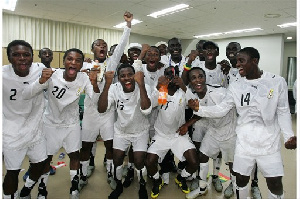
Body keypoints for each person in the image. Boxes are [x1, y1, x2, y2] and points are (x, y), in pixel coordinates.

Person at [188, 47, 297, 199]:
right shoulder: (236, 86)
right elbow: (221, 109)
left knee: (275, 182)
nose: (237, 64)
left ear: (254, 61)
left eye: (241, 61)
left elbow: (283, 111)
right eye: (237, 61)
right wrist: (200, 109)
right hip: (244, 143)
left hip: (269, 143)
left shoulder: (277, 82)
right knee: (240, 179)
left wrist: (289, 135)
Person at [22, 48, 100, 198]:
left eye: (78, 60)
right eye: (70, 59)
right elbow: (27, 94)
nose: (73, 62)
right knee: (46, 159)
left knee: (75, 156)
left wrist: (94, 83)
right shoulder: (52, 75)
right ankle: (42, 190)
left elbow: (95, 100)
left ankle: (74, 188)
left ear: (81, 64)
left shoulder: (83, 78)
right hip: (51, 124)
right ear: (64, 61)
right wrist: (41, 81)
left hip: (72, 124)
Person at [79, 11, 133, 191]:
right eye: (98, 45)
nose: (101, 46)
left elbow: (121, 46)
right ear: (93, 49)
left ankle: (111, 173)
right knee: (86, 145)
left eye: (104, 45)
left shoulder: (111, 64)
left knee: (110, 145)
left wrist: (127, 25)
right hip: (90, 113)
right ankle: (83, 174)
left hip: (108, 112)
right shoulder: (85, 66)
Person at [182, 67, 237, 199]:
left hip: (229, 133)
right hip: (213, 131)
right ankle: (202, 188)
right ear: (190, 82)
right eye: (193, 78)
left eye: (200, 76)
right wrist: (188, 123)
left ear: (205, 78)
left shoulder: (220, 92)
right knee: (202, 156)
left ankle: (233, 186)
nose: (197, 80)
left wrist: (198, 109)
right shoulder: (196, 97)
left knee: (232, 163)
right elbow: (202, 112)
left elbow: (220, 111)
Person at [98, 64, 152, 199]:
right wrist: (107, 85)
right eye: (122, 76)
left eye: (130, 75)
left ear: (135, 76)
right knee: (117, 160)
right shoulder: (114, 88)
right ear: (118, 78)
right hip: (121, 131)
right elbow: (101, 109)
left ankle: (142, 185)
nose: (127, 78)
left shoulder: (144, 86)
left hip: (140, 131)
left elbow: (146, 109)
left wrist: (141, 85)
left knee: (139, 162)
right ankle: (118, 186)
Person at [2, 40, 48, 199]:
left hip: (36, 130)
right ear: (9, 58)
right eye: (16, 55)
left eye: (26, 55)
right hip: (12, 133)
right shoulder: (2, 75)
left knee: (40, 164)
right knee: (12, 172)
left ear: (32, 57)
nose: (22, 58)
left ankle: (26, 190)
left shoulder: (40, 69)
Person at [146, 66, 198, 198]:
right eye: (168, 76)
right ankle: (158, 180)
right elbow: (150, 105)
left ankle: (181, 178)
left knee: (194, 162)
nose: (171, 79)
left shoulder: (182, 93)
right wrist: (159, 86)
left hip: (178, 135)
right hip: (162, 135)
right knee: (149, 162)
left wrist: (184, 86)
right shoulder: (162, 91)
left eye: (173, 76)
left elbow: (196, 105)